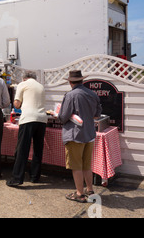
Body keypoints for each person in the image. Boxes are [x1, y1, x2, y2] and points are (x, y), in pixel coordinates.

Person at [58, 70, 102, 203]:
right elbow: (97, 114)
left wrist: (59, 114)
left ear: (70, 82)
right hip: (89, 134)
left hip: (75, 134)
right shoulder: (93, 94)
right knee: (86, 165)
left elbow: (63, 117)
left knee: (76, 166)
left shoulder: (70, 95)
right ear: (82, 80)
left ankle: (79, 194)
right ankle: (90, 190)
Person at [6, 71, 47, 187]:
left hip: (28, 118)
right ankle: (35, 176)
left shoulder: (22, 85)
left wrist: (17, 101)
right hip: (42, 119)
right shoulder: (41, 86)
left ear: (24, 78)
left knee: (22, 149)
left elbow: (17, 104)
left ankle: (17, 178)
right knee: (38, 149)